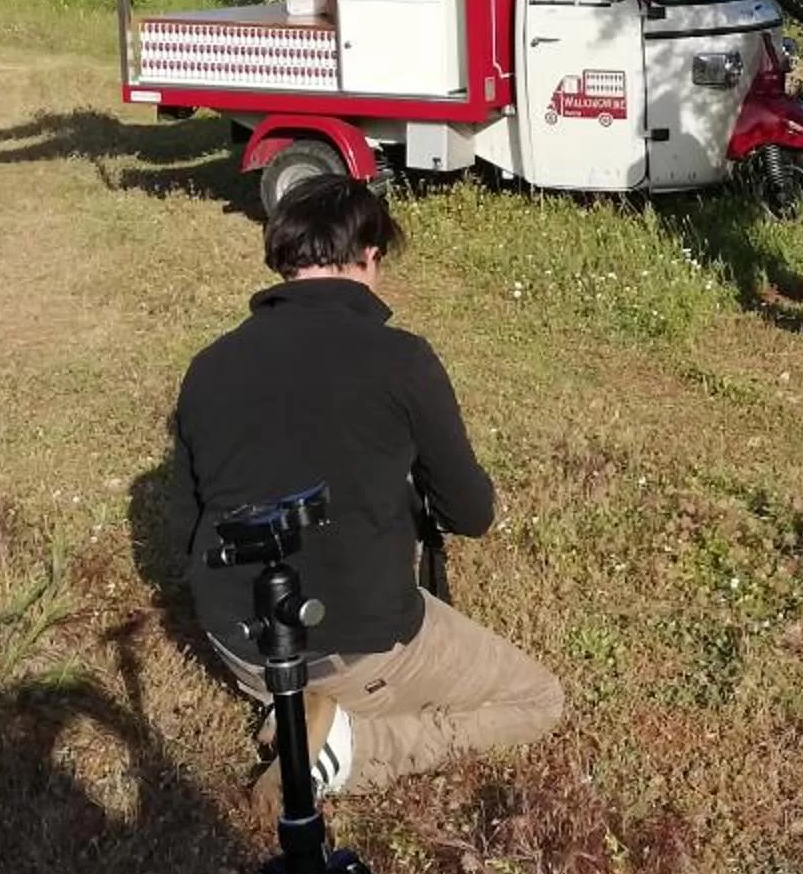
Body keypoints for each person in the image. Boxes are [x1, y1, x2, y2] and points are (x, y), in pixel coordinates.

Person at [172, 176, 566, 818]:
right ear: (371, 254)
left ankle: (293, 710)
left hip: (239, 644)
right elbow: (472, 514)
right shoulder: (401, 361)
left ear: (284, 256)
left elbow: (184, 531)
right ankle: (348, 747)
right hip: (351, 645)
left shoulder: (208, 365)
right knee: (536, 700)